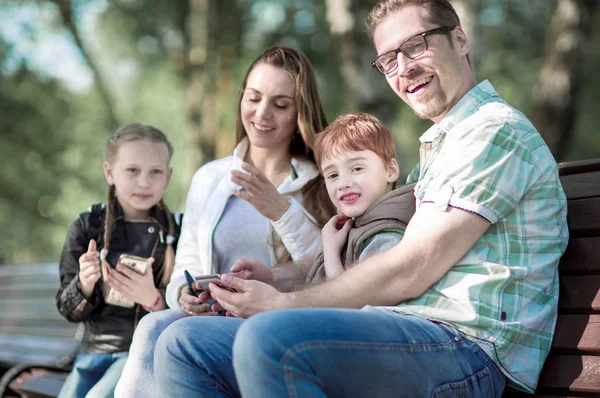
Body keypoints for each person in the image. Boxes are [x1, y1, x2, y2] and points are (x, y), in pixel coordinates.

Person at [154, 0, 569, 396]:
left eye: (415, 45)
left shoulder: (493, 132)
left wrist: (282, 304)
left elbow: (409, 268)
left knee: (272, 338)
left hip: (468, 349)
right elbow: (374, 257)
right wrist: (276, 277)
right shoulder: (443, 147)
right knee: (184, 342)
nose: (404, 68)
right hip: (405, 330)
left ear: (460, 40)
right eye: (389, 59)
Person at [114, 45, 334, 397]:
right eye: (253, 98)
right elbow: (187, 261)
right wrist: (183, 294)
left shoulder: (322, 181)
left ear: (299, 113)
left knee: (173, 338)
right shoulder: (211, 177)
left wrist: (280, 210)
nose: (262, 114)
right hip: (211, 319)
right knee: (155, 326)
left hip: (277, 325)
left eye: (280, 104)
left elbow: (328, 268)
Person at [56, 123, 180, 398]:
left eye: (155, 172)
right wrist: (85, 284)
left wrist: (153, 299)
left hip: (142, 354)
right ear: (110, 173)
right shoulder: (87, 227)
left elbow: (184, 313)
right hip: (90, 354)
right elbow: (68, 310)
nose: (144, 182)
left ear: (168, 177)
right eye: (132, 170)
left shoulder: (177, 232)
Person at [305, 112, 415, 283]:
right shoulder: (357, 228)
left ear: (391, 170)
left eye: (356, 169)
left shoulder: (385, 237)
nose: (343, 183)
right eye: (333, 175)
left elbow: (350, 300)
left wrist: (331, 252)